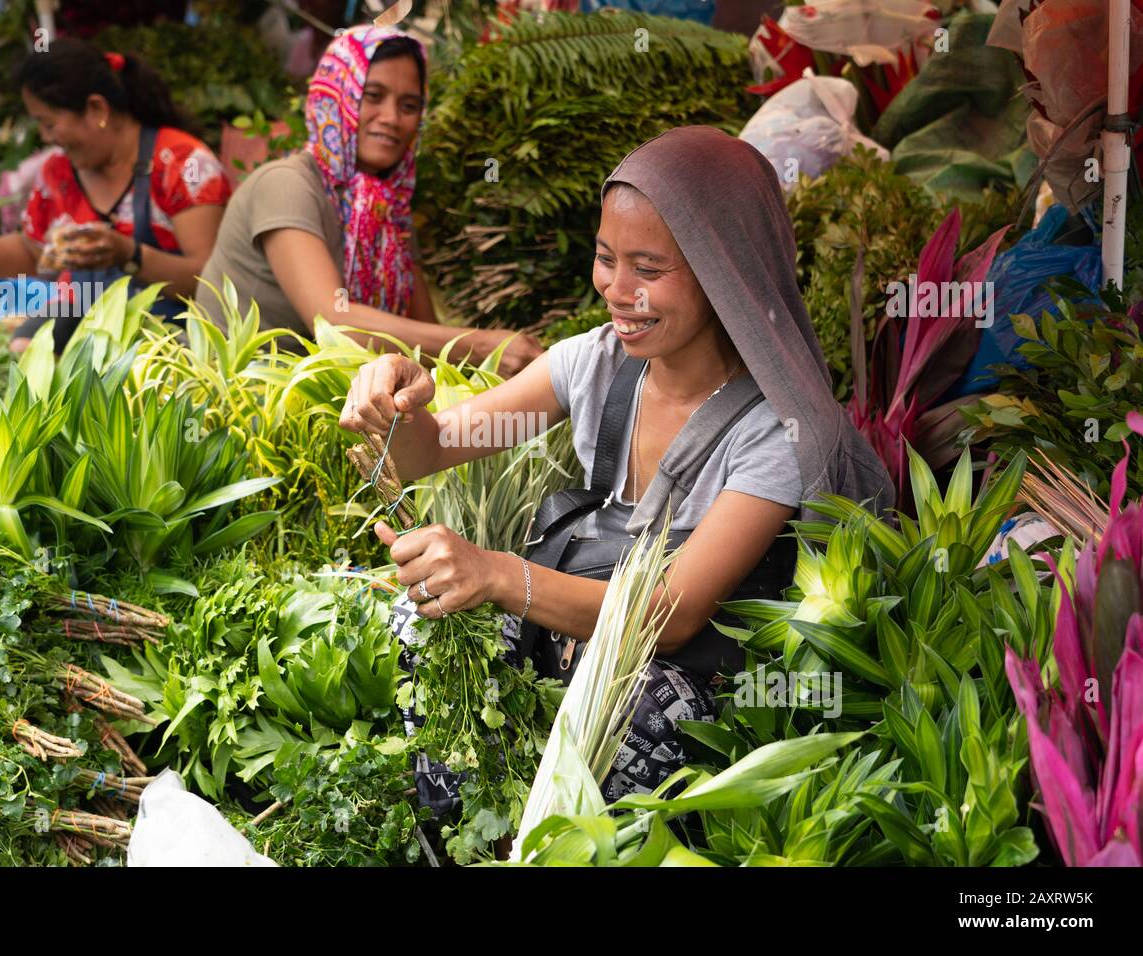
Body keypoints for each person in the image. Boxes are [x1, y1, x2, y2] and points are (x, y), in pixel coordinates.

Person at [339, 127, 894, 799]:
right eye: (607, 259)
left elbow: (668, 616)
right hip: (589, 622)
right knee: (422, 624)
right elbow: (427, 451)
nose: (616, 290)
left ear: (724, 272)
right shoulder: (595, 362)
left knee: (645, 713)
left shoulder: (777, 429)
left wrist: (492, 572)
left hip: (698, 673)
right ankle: (451, 827)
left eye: (649, 270)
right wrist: (399, 399)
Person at [194, 24, 541, 376]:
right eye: (372, 96)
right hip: (235, 398)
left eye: (409, 105)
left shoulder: (389, 210)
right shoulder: (287, 185)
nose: (391, 118)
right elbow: (333, 322)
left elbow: (429, 338)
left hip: (320, 396)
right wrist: (482, 345)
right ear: (336, 95)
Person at [0, 38, 230, 353]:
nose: (46, 137)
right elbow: (34, 252)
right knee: (25, 348)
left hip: (172, 323)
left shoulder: (183, 163)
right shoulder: (58, 173)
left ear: (96, 109)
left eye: (49, 123)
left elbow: (209, 280)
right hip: (82, 307)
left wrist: (130, 254)